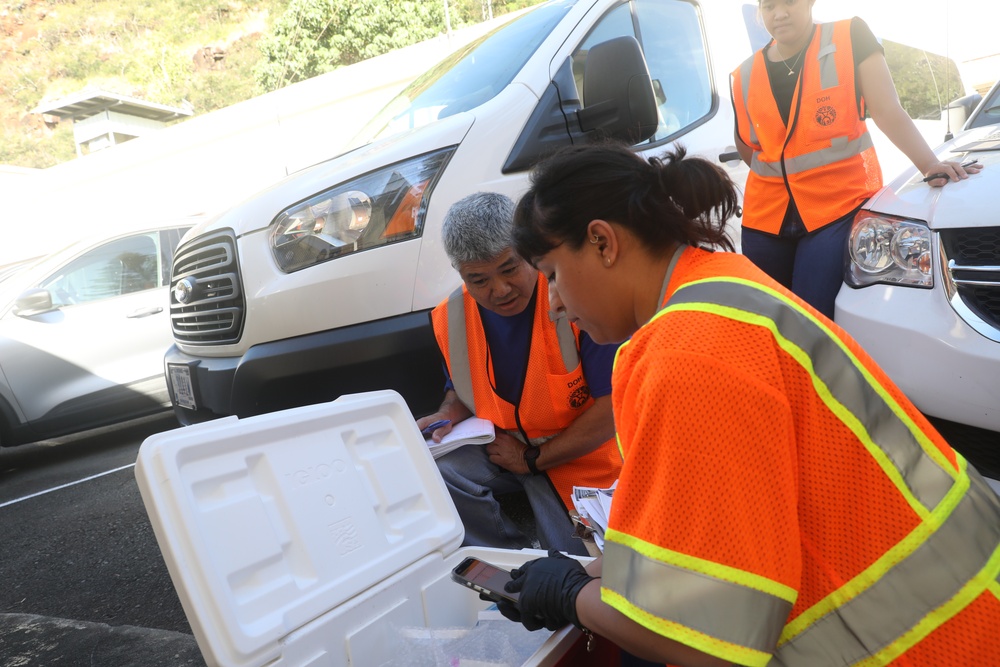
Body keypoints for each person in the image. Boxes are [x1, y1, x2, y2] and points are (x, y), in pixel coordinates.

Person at [490, 141, 1000, 666]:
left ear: (602, 242)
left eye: (551, 274)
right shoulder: (719, 284)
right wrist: (599, 574)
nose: (552, 304)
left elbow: (709, 645)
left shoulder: (688, 354)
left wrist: (572, 598)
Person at [731, 0, 983, 319]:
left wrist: (929, 164)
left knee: (812, 320)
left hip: (834, 209)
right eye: (769, 6)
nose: (779, 14)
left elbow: (887, 110)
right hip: (765, 220)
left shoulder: (849, 36)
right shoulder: (743, 74)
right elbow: (748, 145)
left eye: (789, 2)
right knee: (764, 321)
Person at [416, 191, 622, 557]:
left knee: (577, 564)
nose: (499, 290)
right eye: (478, 280)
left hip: (582, 459)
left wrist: (532, 460)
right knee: (439, 471)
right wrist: (447, 415)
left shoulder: (573, 292)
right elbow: (461, 390)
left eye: (510, 268)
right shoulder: (452, 317)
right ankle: (506, 562)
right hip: (504, 450)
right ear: (461, 273)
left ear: (529, 251)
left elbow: (612, 410)